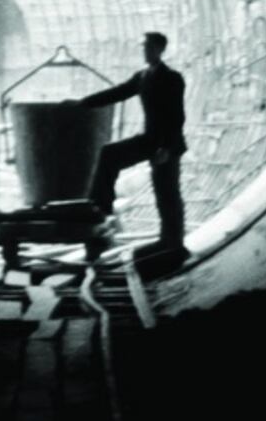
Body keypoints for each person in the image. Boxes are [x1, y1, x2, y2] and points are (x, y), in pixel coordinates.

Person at [74, 31, 188, 264]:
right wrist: (83, 103)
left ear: (159, 49)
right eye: (143, 46)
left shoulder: (173, 78)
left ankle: (173, 241)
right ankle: (101, 207)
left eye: (148, 46)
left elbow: (177, 116)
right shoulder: (143, 77)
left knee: (166, 192)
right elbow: (117, 93)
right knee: (109, 154)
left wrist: (166, 148)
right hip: (149, 139)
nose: (144, 50)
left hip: (166, 142)